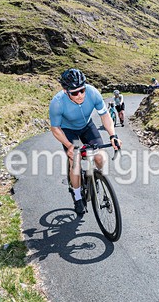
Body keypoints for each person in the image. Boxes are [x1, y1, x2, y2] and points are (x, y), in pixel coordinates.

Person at [49, 68, 122, 215]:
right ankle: (77, 197)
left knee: (100, 157)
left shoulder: (92, 92)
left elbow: (105, 116)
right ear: (65, 91)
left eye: (82, 90)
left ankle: (94, 177)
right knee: (75, 161)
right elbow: (55, 128)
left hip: (87, 126)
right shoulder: (57, 103)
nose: (80, 95)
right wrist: (69, 146)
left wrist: (113, 136)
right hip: (68, 130)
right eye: (74, 93)